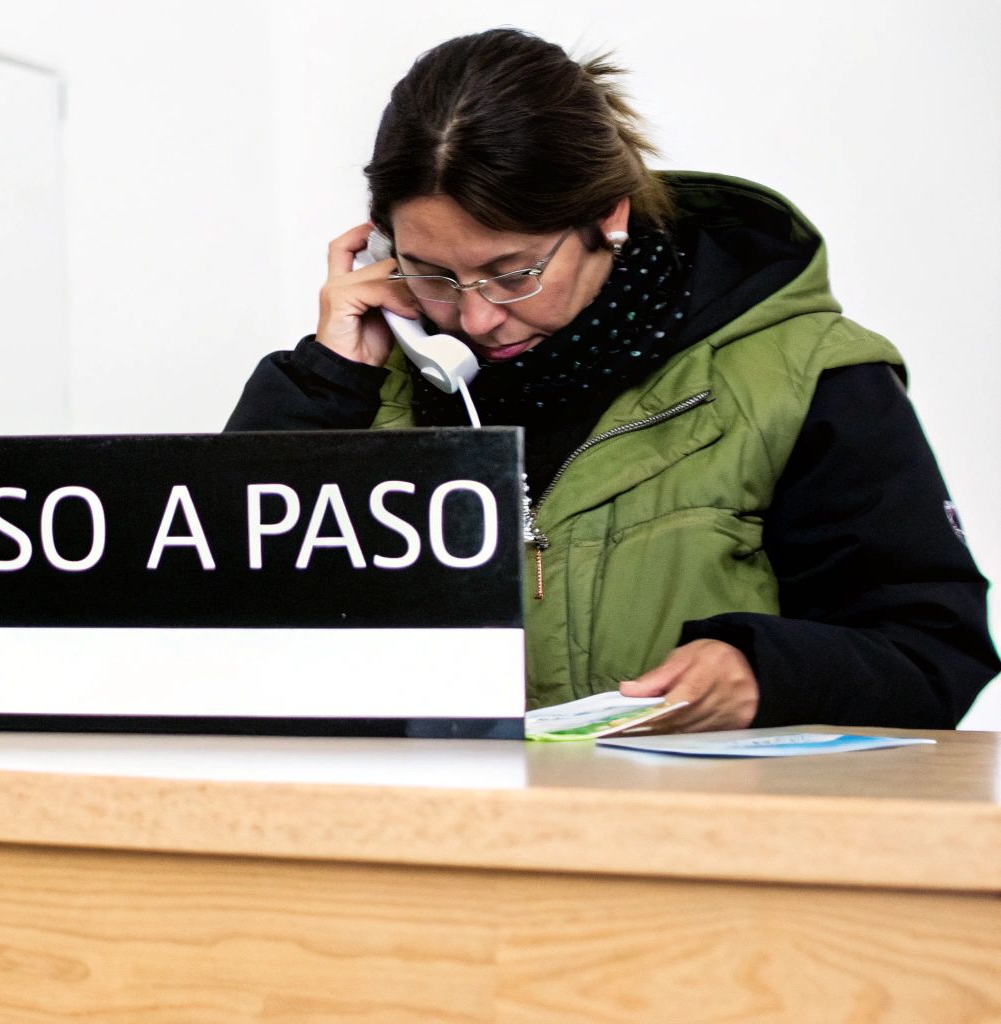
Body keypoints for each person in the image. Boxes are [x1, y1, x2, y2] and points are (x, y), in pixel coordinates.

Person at [226, 28, 998, 731]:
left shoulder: (802, 375)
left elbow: (932, 651)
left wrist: (766, 674)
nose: (476, 318)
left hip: (701, 858)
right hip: (420, 854)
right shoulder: (367, 378)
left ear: (610, 216)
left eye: (513, 272)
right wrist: (326, 384)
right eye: (432, 273)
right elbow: (210, 629)